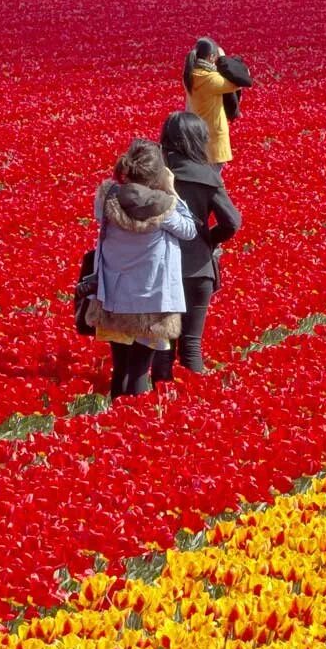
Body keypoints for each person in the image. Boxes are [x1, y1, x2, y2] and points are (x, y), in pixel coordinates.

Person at [88, 139, 196, 400]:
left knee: (120, 368)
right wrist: (172, 190)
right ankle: (129, 425)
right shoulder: (165, 207)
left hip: (114, 296)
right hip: (151, 302)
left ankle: (114, 422)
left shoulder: (108, 198)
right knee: (139, 369)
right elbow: (190, 230)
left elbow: (98, 216)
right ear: (158, 173)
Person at [155, 111, 241, 380]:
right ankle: (194, 405)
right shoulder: (206, 175)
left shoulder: (154, 174)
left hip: (160, 269)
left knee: (164, 347)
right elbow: (232, 222)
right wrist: (208, 239)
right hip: (197, 269)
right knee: (191, 345)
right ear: (199, 139)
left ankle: (159, 407)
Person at [183, 37, 252, 169]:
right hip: (212, 136)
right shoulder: (210, 79)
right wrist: (224, 60)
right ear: (212, 57)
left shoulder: (192, 74)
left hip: (196, 132)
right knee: (212, 177)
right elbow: (242, 79)